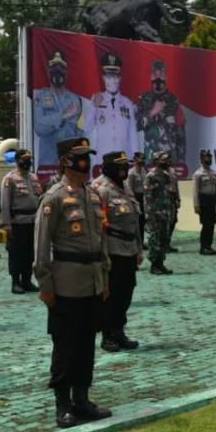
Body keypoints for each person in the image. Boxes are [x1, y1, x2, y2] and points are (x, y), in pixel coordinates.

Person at [34, 136, 111, 429]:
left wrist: (103, 277)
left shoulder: (92, 195)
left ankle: (82, 399)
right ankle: (63, 404)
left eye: (87, 155)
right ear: (65, 160)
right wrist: (45, 284)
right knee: (65, 345)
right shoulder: (54, 197)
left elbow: (100, 241)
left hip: (92, 281)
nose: (85, 161)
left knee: (86, 345)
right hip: (65, 283)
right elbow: (41, 245)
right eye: (79, 156)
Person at [92, 151, 142, 353]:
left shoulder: (126, 188)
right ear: (108, 167)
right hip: (112, 249)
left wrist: (138, 248)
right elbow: (99, 227)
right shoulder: (102, 189)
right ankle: (107, 335)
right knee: (110, 294)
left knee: (126, 292)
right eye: (119, 166)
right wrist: (103, 255)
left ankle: (119, 330)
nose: (124, 169)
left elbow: (134, 221)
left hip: (129, 248)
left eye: (125, 165)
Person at [84, 52, 140, 161]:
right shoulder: (96, 99)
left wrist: (135, 156)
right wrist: (94, 107)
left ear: (120, 78)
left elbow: (132, 133)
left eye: (116, 75)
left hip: (123, 158)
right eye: (109, 75)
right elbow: (87, 128)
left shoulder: (127, 103)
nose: (113, 80)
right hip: (104, 159)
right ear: (103, 77)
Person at [1, 149, 42, 294]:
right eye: (25, 159)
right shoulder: (10, 179)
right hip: (17, 223)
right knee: (16, 254)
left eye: (29, 159)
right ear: (18, 161)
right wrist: (7, 225)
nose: (28, 162)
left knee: (30, 253)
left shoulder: (33, 177)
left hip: (32, 221)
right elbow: (5, 203)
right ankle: (15, 282)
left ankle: (27, 280)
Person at [33, 50, 85, 167]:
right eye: (54, 70)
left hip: (70, 162)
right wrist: (64, 116)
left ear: (66, 73)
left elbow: (80, 131)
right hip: (48, 163)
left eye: (61, 70)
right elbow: (40, 128)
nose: (57, 74)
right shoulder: (41, 98)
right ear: (48, 72)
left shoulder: (75, 99)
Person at [136, 59, 186, 164]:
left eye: (161, 74)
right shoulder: (143, 100)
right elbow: (137, 125)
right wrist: (152, 112)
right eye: (155, 74)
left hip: (170, 161)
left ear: (166, 77)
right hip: (150, 160)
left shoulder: (174, 101)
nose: (158, 77)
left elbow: (180, 136)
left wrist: (181, 163)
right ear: (151, 77)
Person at [142, 151, 177, 274]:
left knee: (164, 239)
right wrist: (149, 215)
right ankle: (154, 265)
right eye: (163, 160)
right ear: (156, 161)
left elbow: (171, 193)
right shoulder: (151, 176)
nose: (167, 162)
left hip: (166, 213)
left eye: (167, 160)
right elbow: (148, 198)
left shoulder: (168, 175)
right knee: (154, 240)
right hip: (155, 214)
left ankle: (161, 263)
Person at [193, 149, 216, 255]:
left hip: (212, 201)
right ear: (201, 159)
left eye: (209, 157)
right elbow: (195, 191)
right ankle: (203, 247)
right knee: (206, 225)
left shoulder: (213, 173)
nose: (208, 159)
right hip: (203, 201)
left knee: (212, 224)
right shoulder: (198, 174)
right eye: (206, 158)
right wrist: (196, 205)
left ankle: (209, 246)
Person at [126, 151, 147, 244]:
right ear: (135, 160)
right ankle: (136, 242)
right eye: (140, 159)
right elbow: (129, 187)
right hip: (136, 198)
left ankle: (141, 242)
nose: (142, 161)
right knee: (137, 221)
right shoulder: (131, 173)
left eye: (143, 159)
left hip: (144, 198)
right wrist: (133, 200)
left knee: (143, 221)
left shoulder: (143, 171)